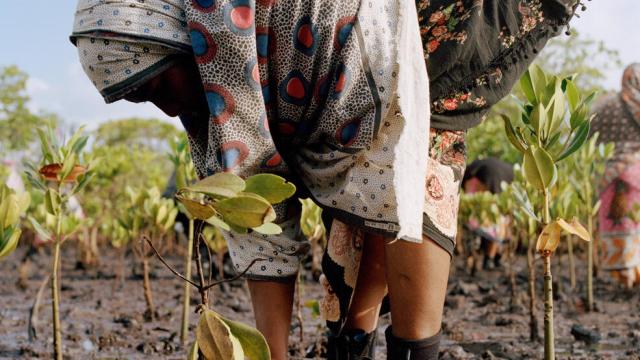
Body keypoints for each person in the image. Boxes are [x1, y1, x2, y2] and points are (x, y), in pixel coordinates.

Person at [71, 0, 577, 358]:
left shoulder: (299, 20)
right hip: (356, 80)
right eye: (141, 99)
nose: (164, 108)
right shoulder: (225, 67)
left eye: (158, 84)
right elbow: (258, 207)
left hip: (437, 23)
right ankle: (355, 340)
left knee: (416, 150)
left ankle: (408, 347)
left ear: (181, 41)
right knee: (363, 187)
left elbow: (383, 175)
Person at [592, 64, 640, 289]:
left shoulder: (605, 105)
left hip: (608, 175)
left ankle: (622, 276)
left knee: (614, 222)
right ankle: (635, 272)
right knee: (634, 222)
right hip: (636, 173)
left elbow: (588, 134)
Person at [461, 158, 514, 271]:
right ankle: (489, 259)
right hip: (487, 180)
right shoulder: (509, 176)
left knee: (481, 223)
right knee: (496, 225)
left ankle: (482, 256)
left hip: (473, 177)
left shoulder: (490, 166)